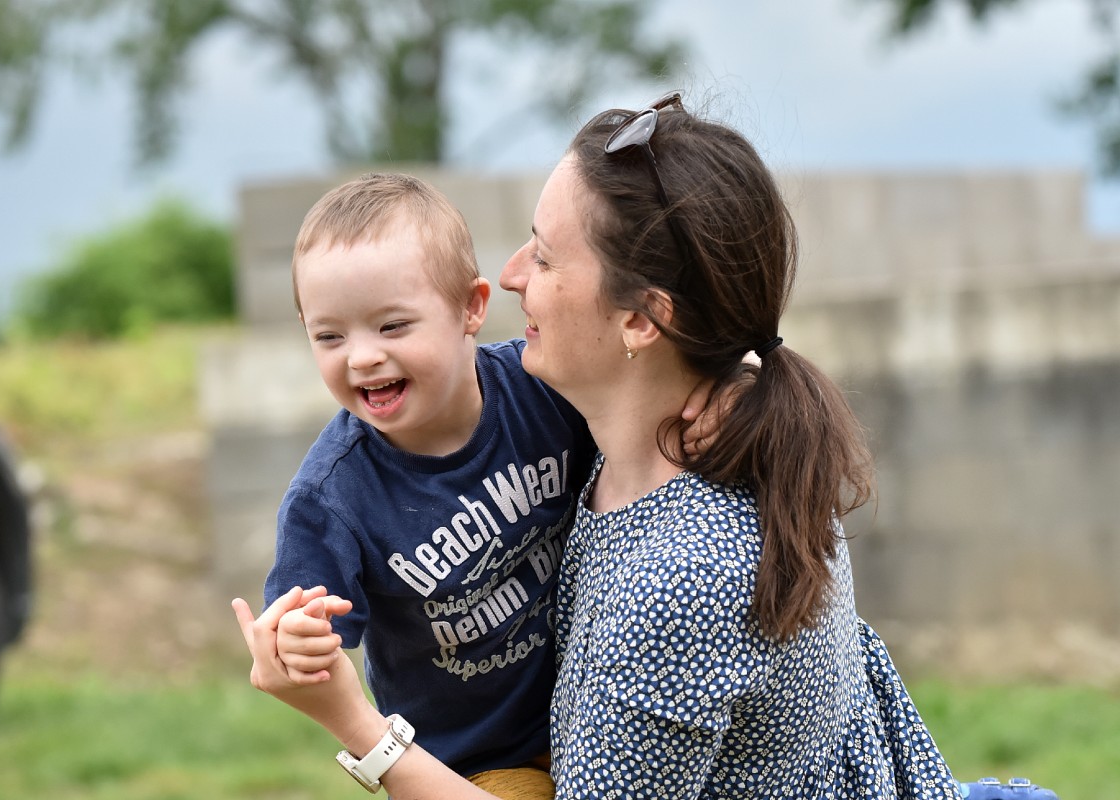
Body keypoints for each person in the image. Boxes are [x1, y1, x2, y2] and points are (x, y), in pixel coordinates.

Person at [235, 94, 962, 798]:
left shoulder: (680, 576)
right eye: (329, 335)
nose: (513, 276)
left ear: (644, 320)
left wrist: (357, 727)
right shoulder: (698, 443)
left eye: (545, 258)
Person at [257, 172, 710, 798]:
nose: (360, 357)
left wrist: (730, 384)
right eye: (329, 336)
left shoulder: (541, 391)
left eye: (391, 326)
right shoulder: (333, 497)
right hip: (475, 763)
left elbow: (649, 397)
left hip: (591, 706)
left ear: (471, 308)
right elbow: (305, 622)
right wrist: (295, 639)